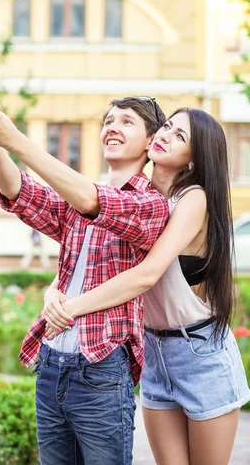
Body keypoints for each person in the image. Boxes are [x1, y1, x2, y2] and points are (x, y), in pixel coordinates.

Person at [43, 108, 250, 465]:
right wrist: (54, 292)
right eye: (168, 126)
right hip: (155, 353)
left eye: (180, 136)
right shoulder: (134, 198)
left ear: (193, 159)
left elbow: (146, 275)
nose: (166, 135)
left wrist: (71, 309)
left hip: (200, 355)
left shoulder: (193, 198)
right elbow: (87, 257)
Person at [0, 97, 170, 465]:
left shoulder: (152, 205)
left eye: (127, 122)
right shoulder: (79, 197)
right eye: (108, 120)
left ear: (151, 141)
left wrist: (16, 139)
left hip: (102, 368)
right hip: (52, 362)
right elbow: (21, 193)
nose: (112, 127)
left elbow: (94, 201)